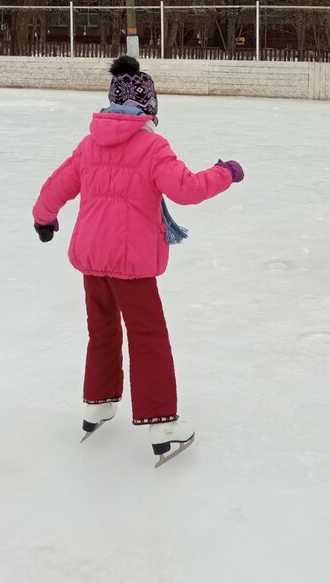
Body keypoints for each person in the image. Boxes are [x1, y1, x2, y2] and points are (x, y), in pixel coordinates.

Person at [32, 55, 244, 463]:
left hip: (92, 259)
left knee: (103, 331)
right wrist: (225, 172)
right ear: (149, 109)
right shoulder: (151, 145)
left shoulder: (90, 143)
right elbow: (185, 189)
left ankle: (98, 402)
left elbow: (57, 184)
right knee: (148, 338)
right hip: (132, 264)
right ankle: (162, 425)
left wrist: (44, 218)